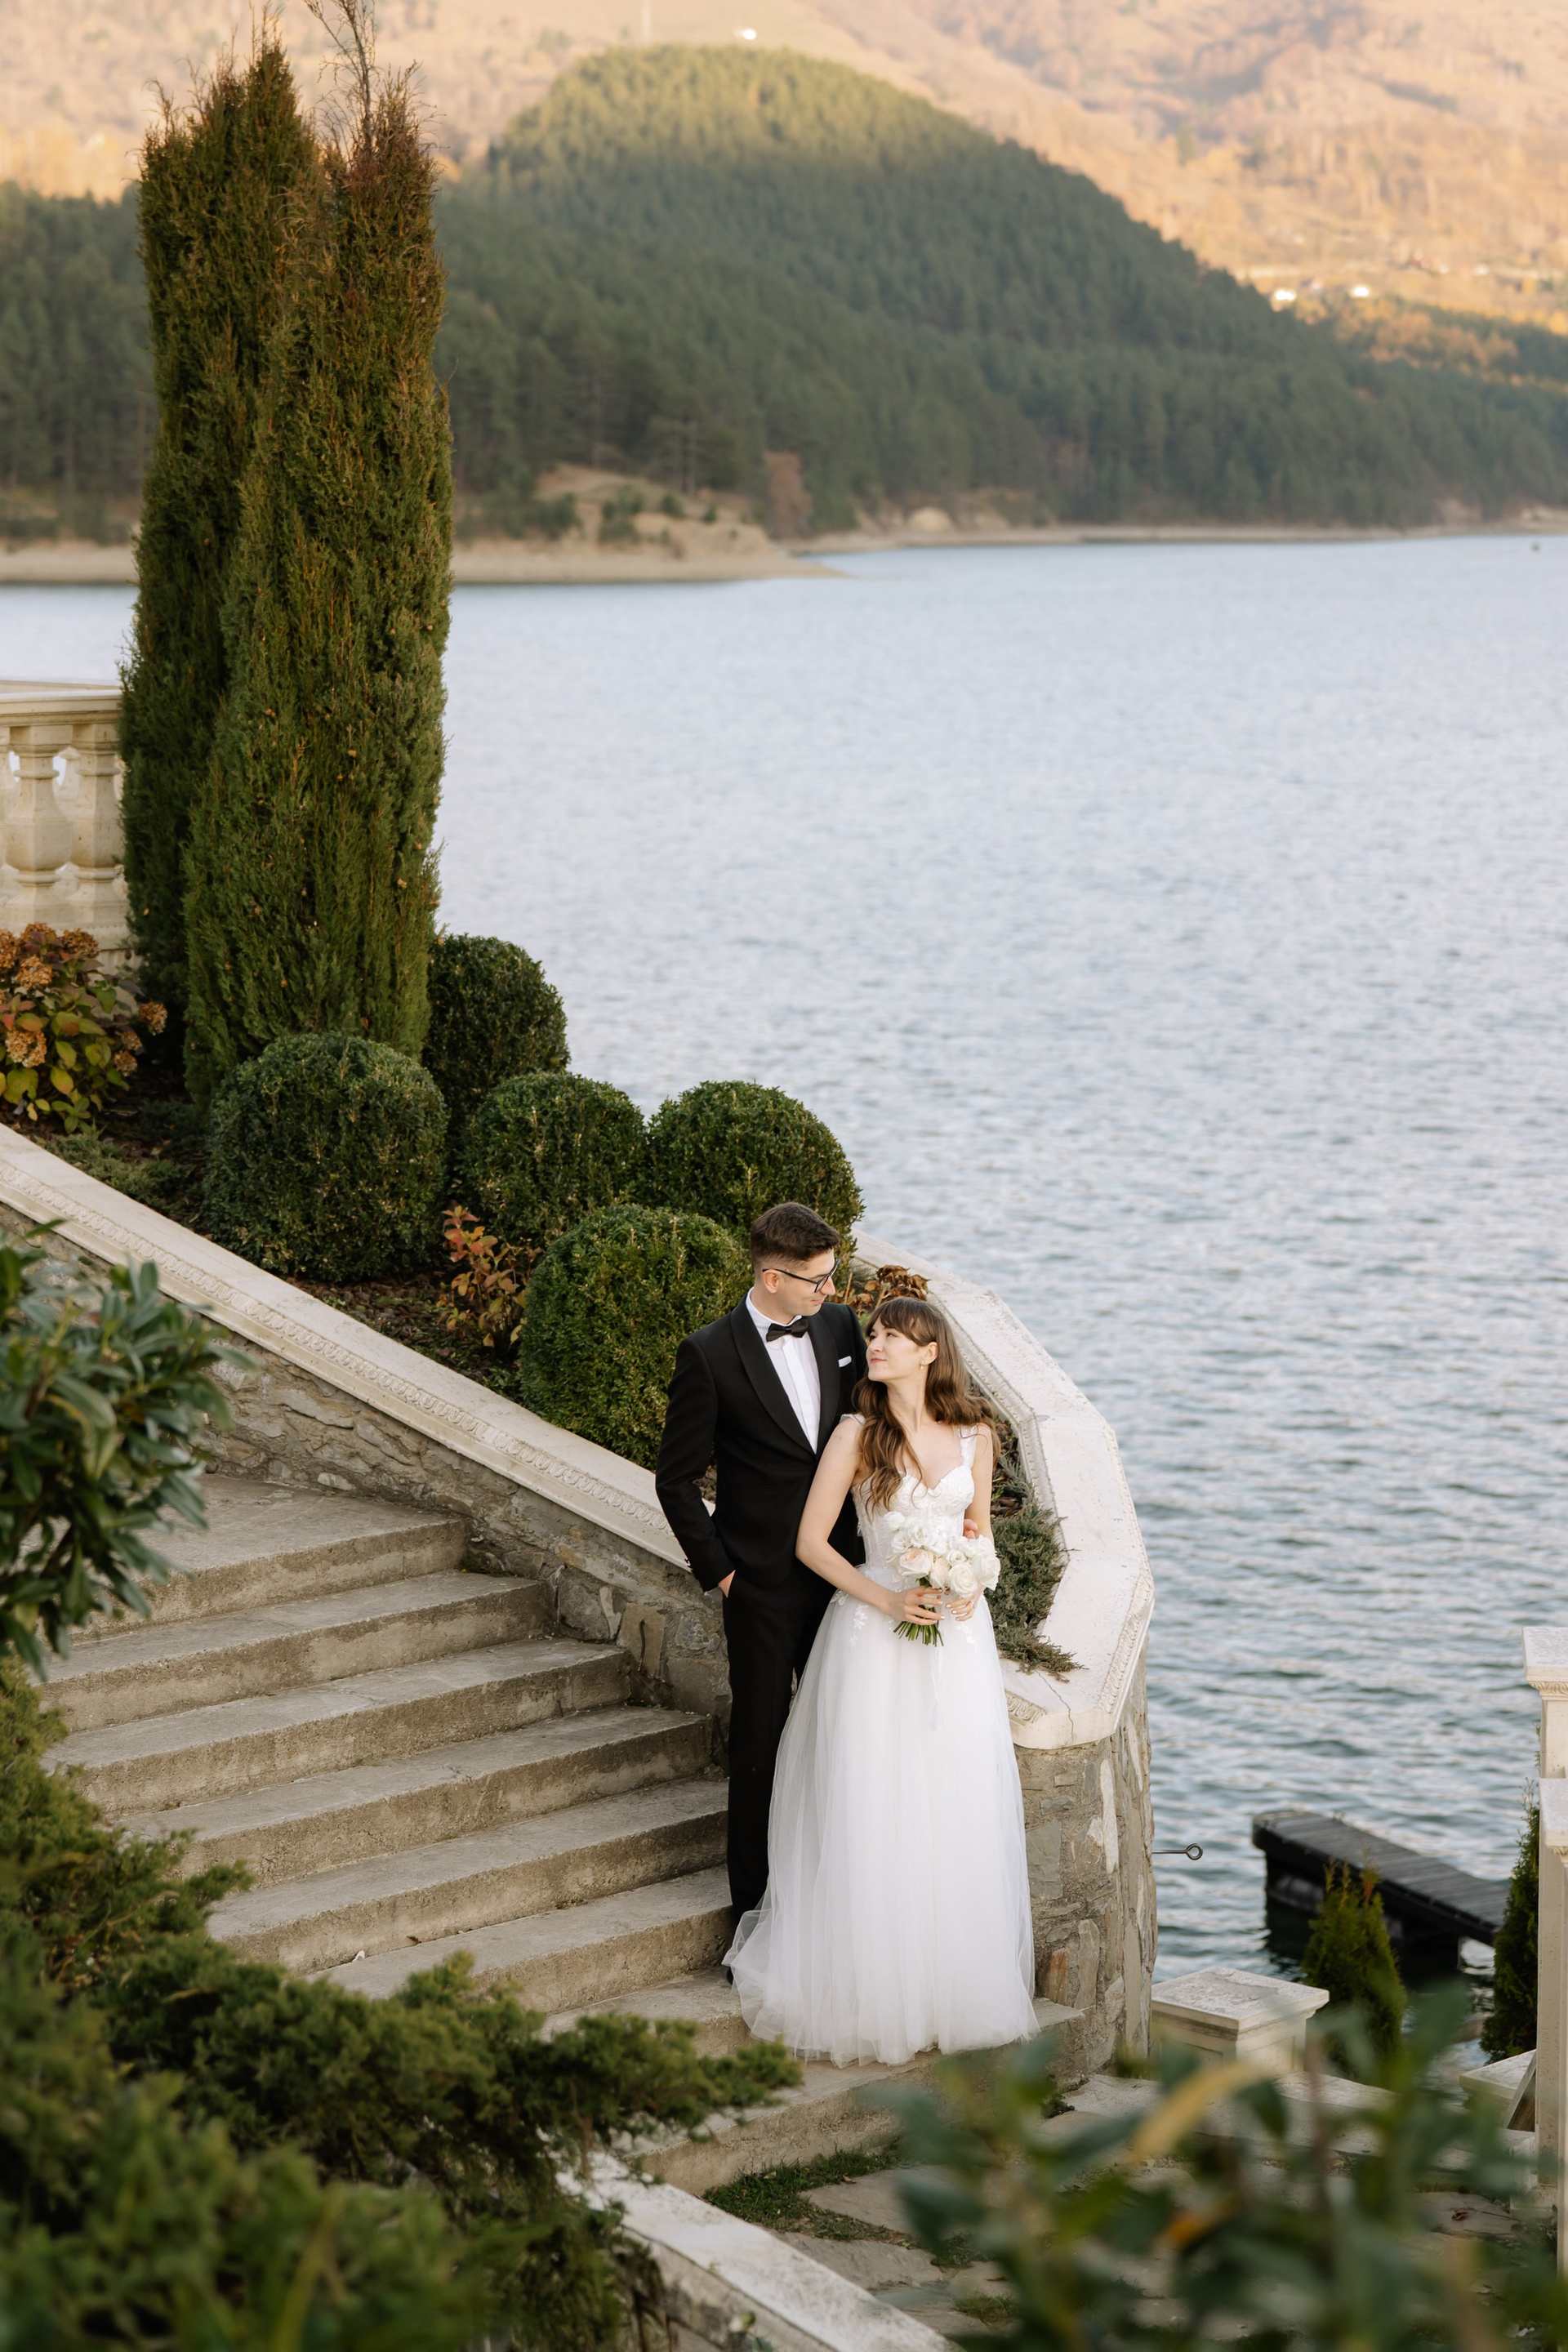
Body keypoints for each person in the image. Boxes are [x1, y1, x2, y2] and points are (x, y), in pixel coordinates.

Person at [724, 1292, 1037, 2066]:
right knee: (870, 1796)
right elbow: (812, 1544)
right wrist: (889, 1598)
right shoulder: (858, 1434)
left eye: (895, 1335)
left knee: (949, 1796)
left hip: (955, 1641)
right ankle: (867, 1985)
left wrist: (972, 1583)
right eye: (874, 1333)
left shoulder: (976, 1434)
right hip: (871, 1633)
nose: (878, 1343)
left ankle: (943, 1982)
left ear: (930, 1352)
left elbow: (981, 1535)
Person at [655, 1200, 868, 1919]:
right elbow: (675, 1480)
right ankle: (753, 1915)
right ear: (773, 1278)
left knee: (847, 1736)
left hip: (845, 1575)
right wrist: (724, 1574)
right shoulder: (709, 1354)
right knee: (759, 1748)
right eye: (818, 1279)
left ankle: (837, 1899)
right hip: (762, 1587)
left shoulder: (840, 1328)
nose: (831, 1291)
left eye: (832, 1275)